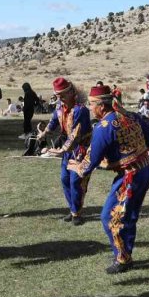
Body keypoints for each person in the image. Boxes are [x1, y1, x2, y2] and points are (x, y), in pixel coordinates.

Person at [76, 84, 149, 274]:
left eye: (91, 103)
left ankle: (123, 259)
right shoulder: (130, 115)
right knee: (130, 214)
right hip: (145, 170)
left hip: (130, 176)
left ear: (102, 106)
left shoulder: (104, 126)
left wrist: (77, 168)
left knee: (110, 216)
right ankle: (125, 252)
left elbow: (90, 162)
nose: (90, 107)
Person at [34, 77, 92, 225]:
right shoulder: (60, 108)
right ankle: (72, 210)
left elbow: (76, 134)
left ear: (71, 92)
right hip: (67, 150)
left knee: (75, 181)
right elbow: (53, 122)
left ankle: (77, 213)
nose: (60, 99)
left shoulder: (81, 110)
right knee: (65, 179)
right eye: (58, 96)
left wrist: (62, 150)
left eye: (63, 95)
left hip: (81, 149)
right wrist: (43, 134)